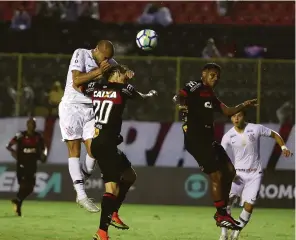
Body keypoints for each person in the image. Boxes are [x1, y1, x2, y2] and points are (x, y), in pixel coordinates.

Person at [173, 63, 257, 230]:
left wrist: (243, 105)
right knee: (216, 175)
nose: (215, 78)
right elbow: (179, 96)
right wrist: (183, 107)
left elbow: (227, 111)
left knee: (230, 171)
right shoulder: (195, 85)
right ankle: (221, 214)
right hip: (196, 139)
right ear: (203, 74)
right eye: (212, 74)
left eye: (218, 76)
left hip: (208, 139)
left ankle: (223, 211)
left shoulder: (210, 94)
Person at [82, 64, 157, 240]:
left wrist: (101, 76)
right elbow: (143, 98)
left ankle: (113, 213)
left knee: (130, 176)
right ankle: (102, 232)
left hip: (98, 140)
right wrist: (149, 93)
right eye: (123, 73)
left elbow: (83, 86)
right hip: (106, 144)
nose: (125, 75)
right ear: (115, 74)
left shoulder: (95, 87)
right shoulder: (124, 89)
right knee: (112, 187)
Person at [59, 40, 118, 213]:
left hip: (92, 109)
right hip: (72, 107)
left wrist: (126, 73)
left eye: (109, 59)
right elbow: (76, 81)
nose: (106, 61)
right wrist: (100, 71)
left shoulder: (109, 62)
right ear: (97, 50)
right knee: (74, 148)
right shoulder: (81, 53)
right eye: (105, 57)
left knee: (95, 150)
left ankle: (80, 181)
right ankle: (82, 195)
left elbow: (118, 72)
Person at [219, 111, 292, 240]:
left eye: (239, 115)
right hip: (237, 175)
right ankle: (224, 234)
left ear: (244, 117)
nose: (236, 118)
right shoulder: (228, 136)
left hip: (254, 174)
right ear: (231, 118)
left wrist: (284, 148)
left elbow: (275, 134)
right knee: (227, 202)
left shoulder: (255, 128)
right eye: (233, 116)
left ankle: (235, 234)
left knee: (249, 206)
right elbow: (221, 155)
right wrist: (228, 172)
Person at [6, 117, 47, 216]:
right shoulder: (21, 135)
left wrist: (44, 154)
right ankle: (18, 203)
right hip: (22, 164)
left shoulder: (38, 136)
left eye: (33, 124)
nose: (31, 125)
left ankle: (18, 201)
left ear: (35, 125)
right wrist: (14, 153)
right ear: (27, 125)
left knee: (30, 187)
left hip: (32, 164)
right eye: (30, 123)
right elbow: (9, 145)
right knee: (24, 185)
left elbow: (44, 147)